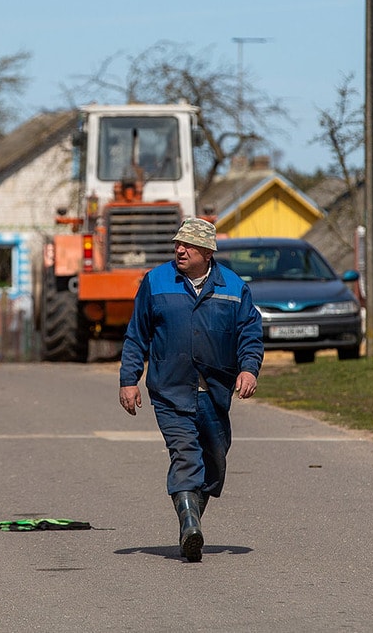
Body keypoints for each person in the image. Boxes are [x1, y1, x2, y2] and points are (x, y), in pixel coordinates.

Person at [118, 217, 263, 562]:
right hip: (170, 389)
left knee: (214, 460)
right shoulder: (156, 282)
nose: (180, 250)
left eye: (189, 245)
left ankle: (191, 520)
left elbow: (250, 334)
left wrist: (248, 369)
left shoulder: (233, 286)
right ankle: (189, 526)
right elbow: (137, 334)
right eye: (178, 244)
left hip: (214, 392)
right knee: (185, 455)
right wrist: (129, 379)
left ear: (207, 251)